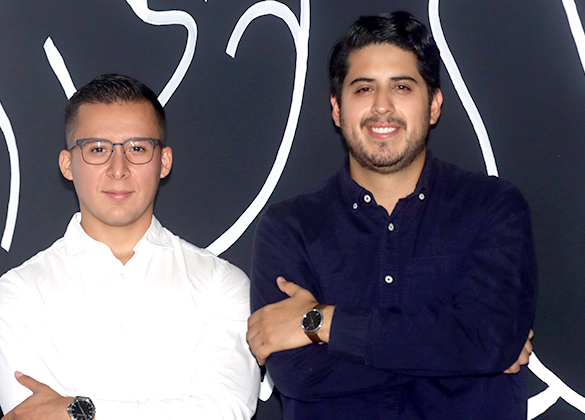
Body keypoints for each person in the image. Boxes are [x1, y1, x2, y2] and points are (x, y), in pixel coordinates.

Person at [247, 11, 537, 419]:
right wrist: (466, 352)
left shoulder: (493, 207)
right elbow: (300, 374)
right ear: (337, 109)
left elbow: (489, 341)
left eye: (401, 87)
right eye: (364, 88)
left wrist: (324, 323)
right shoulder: (289, 227)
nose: (381, 106)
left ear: (433, 105)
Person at [0, 74, 260, 420]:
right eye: (97, 149)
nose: (118, 169)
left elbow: (226, 410)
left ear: (163, 161)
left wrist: (78, 411)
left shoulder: (220, 284)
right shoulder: (17, 294)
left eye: (137, 148)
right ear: (67, 164)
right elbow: (34, 415)